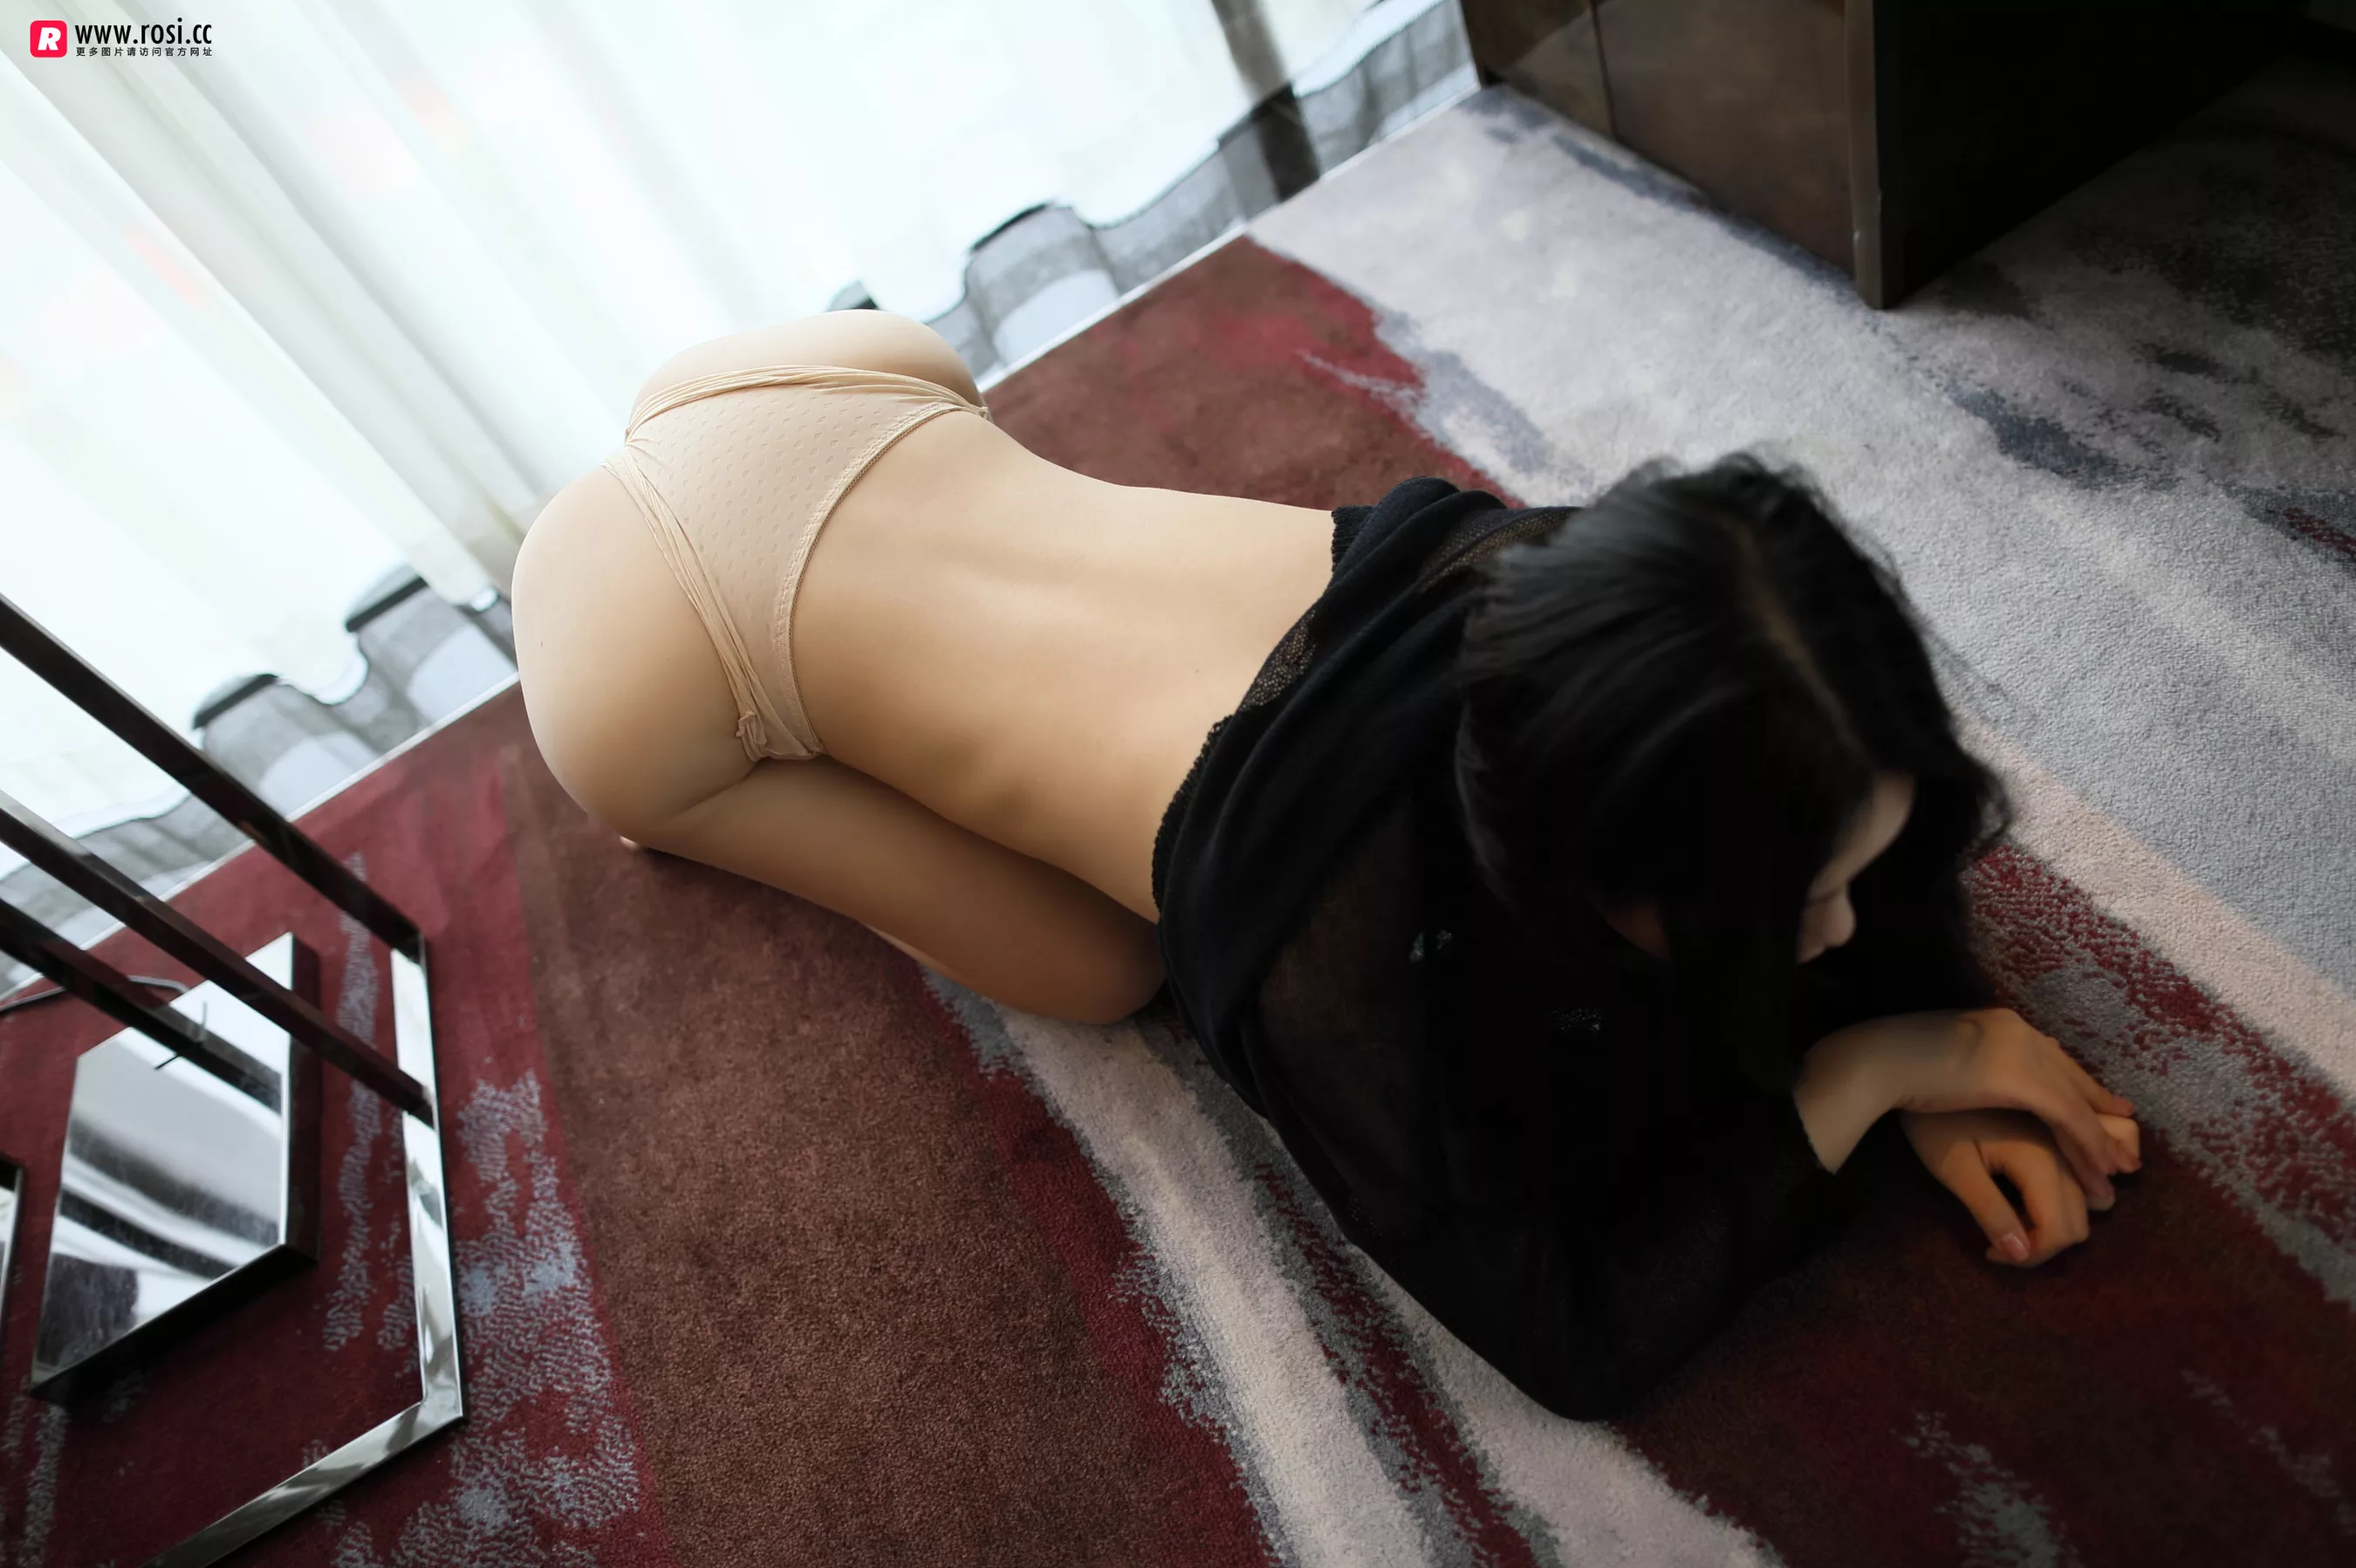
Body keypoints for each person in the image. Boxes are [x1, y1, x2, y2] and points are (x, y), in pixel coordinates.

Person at [511, 311, 2143, 1419]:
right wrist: (1878, 1066)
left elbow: (1794, 805)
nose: (1846, 934)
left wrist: (1938, 1009)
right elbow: (1569, 1330)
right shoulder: (1326, 954)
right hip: (649, 646)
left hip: (838, 386)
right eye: (1799, 912)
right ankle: (706, 789)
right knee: (1105, 972)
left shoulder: (1601, 596)